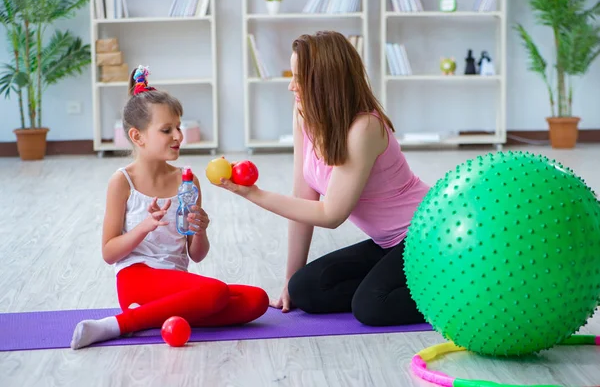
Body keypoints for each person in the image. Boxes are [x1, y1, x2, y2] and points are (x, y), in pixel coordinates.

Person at [217, 31, 430, 326]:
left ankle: (457, 291)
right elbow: (303, 200)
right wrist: (290, 278)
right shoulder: (305, 114)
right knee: (305, 290)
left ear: (327, 80)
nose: (292, 85)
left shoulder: (364, 128)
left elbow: (331, 215)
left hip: (424, 234)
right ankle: (391, 284)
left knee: (371, 307)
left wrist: (254, 194)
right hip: (386, 243)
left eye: (300, 77)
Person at [70, 66, 268, 350]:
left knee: (256, 300)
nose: (178, 135)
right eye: (166, 130)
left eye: (178, 126)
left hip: (176, 283)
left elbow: (196, 256)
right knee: (215, 292)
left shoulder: (187, 181)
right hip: (137, 279)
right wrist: (144, 227)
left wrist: (200, 231)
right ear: (138, 137)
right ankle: (116, 325)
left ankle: (151, 316)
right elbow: (109, 252)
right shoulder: (122, 182)